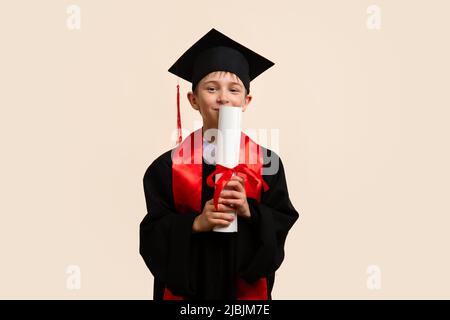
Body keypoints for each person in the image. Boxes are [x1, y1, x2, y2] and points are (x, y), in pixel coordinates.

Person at [139, 28, 299, 300]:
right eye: (211, 89)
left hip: (242, 290)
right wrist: (195, 224)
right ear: (193, 100)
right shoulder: (165, 168)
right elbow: (152, 235)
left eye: (234, 90)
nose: (223, 97)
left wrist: (251, 211)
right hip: (192, 289)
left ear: (246, 101)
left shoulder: (268, 163)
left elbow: (281, 223)